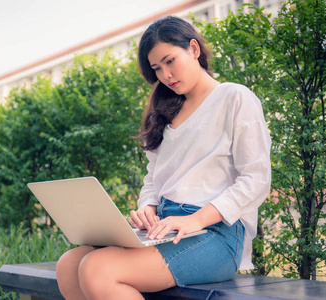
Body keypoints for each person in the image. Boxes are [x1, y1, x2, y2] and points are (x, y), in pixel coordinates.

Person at [55, 15, 271, 300]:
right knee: (68, 264)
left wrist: (196, 219)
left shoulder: (233, 98)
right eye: (157, 68)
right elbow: (153, 176)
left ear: (194, 49)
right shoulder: (166, 110)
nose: (166, 75)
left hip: (216, 234)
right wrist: (148, 206)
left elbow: (257, 179)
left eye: (170, 61)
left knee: (98, 268)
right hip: (164, 228)